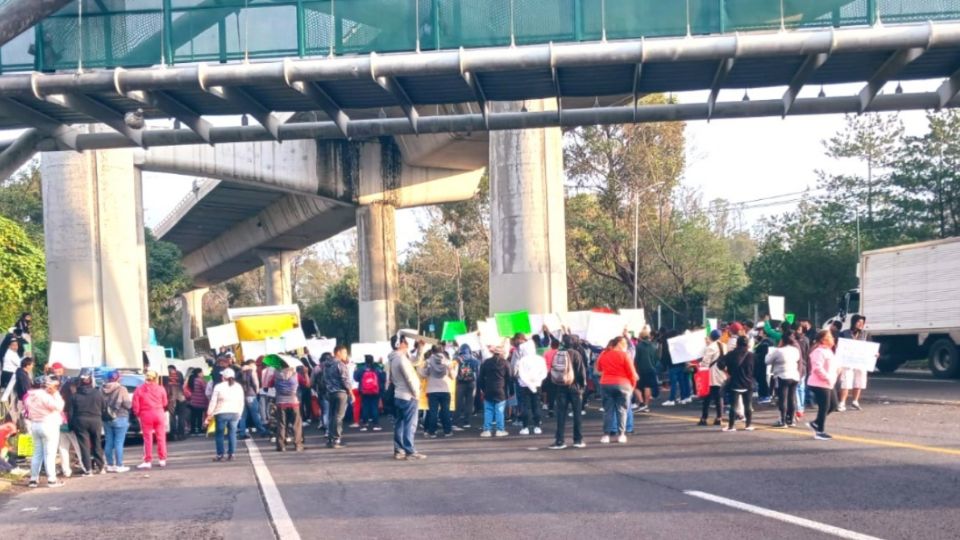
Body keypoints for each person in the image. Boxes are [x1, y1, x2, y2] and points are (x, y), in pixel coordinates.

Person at [595, 336, 638, 444]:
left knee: (608, 410)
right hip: (623, 384)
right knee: (622, 410)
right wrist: (632, 386)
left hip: (606, 383)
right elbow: (632, 373)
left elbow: (599, 368)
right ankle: (621, 435)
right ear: (620, 344)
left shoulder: (604, 354)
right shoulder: (624, 355)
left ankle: (606, 435)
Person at [549, 334, 588, 450]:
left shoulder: (558, 353)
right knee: (577, 414)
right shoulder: (576, 354)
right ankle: (578, 440)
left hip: (561, 387)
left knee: (561, 414)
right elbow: (582, 373)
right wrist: (582, 387)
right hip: (575, 388)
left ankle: (559, 440)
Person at [389, 335, 425, 460]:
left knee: (400, 423)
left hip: (399, 395)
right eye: (405, 341)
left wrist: (420, 348)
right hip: (408, 395)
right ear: (400, 344)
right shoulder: (402, 359)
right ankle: (410, 450)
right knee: (410, 424)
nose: (408, 343)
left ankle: (399, 449)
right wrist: (416, 393)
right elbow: (409, 378)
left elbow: (416, 361)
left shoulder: (394, 358)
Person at [26, 376, 65, 488]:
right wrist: (56, 393)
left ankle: (33, 479)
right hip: (48, 424)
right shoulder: (45, 396)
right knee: (49, 454)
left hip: (35, 425)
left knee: (37, 453)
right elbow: (59, 407)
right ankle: (52, 480)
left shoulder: (30, 397)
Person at [68, 369, 104, 475]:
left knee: (84, 446)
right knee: (97, 443)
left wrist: (70, 426)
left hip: (80, 421)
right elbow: (103, 406)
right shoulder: (97, 393)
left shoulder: (74, 396)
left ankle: (88, 469)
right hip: (96, 420)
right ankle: (101, 467)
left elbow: (70, 412)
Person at [807, 330, 840, 441]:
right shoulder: (819, 351)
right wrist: (828, 378)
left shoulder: (829, 351)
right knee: (824, 407)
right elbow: (817, 368)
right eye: (829, 337)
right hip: (819, 383)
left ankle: (816, 423)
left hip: (829, 383)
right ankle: (819, 431)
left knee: (833, 405)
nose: (832, 338)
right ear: (823, 340)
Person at [132, 371, 169, 469]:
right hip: (159, 413)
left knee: (147, 438)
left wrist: (137, 414)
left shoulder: (139, 389)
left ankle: (147, 460)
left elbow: (135, 405)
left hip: (146, 414)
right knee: (161, 437)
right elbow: (165, 403)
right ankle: (162, 459)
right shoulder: (161, 388)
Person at [207, 368, 245, 461]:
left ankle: (220, 454)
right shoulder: (238, 386)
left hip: (221, 413)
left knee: (219, 434)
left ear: (223, 377)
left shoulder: (218, 386)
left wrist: (209, 413)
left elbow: (213, 401)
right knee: (232, 433)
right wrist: (240, 413)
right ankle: (231, 454)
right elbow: (241, 401)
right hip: (235, 412)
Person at [718, 336, 755, 432]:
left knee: (733, 405)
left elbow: (720, 364)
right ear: (747, 344)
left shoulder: (731, 354)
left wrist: (726, 372)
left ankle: (731, 426)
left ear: (737, 343)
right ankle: (748, 425)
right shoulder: (751, 355)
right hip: (748, 383)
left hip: (735, 382)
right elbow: (757, 369)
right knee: (748, 405)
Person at [766, 335, 802, 428]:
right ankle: (791, 419)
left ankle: (782, 420)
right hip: (794, 375)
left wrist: (771, 352)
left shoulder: (778, 351)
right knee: (791, 398)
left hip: (782, 376)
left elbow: (767, 361)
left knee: (783, 398)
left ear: (782, 341)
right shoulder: (795, 350)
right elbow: (797, 359)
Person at [419, 347, 455, 438]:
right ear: (442, 351)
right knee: (445, 411)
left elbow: (423, 374)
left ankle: (432, 432)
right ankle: (447, 431)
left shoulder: (428, 361)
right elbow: (453, 376)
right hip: (445, 389)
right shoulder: (447, 361)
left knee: (433, 411)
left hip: (432, 390)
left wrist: (422, 368)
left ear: (432, 351)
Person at [101, 370, 132, 473]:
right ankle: (119, 465)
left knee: (108, 441)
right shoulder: (122, 389)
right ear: (118, 378)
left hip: (106, 418)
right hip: (120, 417)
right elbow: (128, 404)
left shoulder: (102, 389)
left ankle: (109, 465)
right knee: (118, 442)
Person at [479, 344, 511, 438]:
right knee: (499, 411)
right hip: (501, 390)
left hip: (488, 389)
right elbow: (509, 378)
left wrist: (483, 389)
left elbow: (480, 378)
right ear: (502, 354)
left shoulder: (486, 362)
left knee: (488, 410)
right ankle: (500, 430)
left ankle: (487, 430)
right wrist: (511, 391)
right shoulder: (505, 363)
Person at [323, 345, 353, 448]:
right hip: (340, 392)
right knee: (339, 416)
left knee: (332, 416)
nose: (346, 355)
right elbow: (345, 379)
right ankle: (337, 439)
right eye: (344, 353)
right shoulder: (340, 364)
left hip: (330, 393)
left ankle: (330, 438)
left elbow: (324, 380)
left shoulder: (326, 365)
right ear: (338, 352)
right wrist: (351, 392)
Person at [838, 314, 869, 411]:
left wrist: (875, 353)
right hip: (847, 361)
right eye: (858, 322)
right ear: (853, 322)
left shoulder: (865, 334)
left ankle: (855, 401)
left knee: (859, 381)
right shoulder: (844, 333)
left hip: (860, 362)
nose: (860, 324)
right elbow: (839, 346)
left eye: (862, 323)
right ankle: (842, 403)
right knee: (846, 382)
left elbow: (870, 347)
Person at [514, 345, 547, 435]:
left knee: (526, 407)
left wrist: (529, 383)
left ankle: (525, 427)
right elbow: (544, 373)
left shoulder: (523, 360)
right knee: (536, 406)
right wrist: (537, 381)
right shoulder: (540, 359)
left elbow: (521, 374)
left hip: (525, 386)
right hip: (537, 385)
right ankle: (537, 426)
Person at [272, 363, 304, 452]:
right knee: (296, 424)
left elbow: (270, 384)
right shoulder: (296, 375)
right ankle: (298, 445)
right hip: (294, 402)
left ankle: (281, 445)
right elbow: (306, 384)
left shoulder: (276, 375)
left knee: (281, 424)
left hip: (280, 402)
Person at [698, 330, 727, 426]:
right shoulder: (724, 345)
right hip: (721, 374)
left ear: (711, 337)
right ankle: (719, 417)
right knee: (719, 397)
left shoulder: (710, 347)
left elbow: (705, 362)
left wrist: (699, 365)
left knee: (707, 397)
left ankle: (704, 418)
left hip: (711, 375)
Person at [354, 355, 385, 432]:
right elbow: (383, 378)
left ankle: (364, 424)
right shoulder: (377, 369)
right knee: (374, 407)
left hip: (364, 391)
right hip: (375, 391)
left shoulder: (361, 369)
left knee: (365, 407)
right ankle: (376, 424)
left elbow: (356, 378)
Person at [453, 344, 479, 430]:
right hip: (472, 383)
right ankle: (466, 422)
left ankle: (455, 421)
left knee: (458, 403)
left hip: (460, 383)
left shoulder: (457, 359)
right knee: (469, 403)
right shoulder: (475, 360)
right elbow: (477, 373)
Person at [661, 330, 691, 406]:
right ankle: (683, 398)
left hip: (673, 365)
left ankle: (672, 399)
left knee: (673, 383)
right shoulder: (681, 343)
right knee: (682, 382)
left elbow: (666, 356)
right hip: (681, 365)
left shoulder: (670, 344)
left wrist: (665, 364)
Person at [240, 360, 267, 438]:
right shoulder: (252, 371)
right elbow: (255, 384)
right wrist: (257, 391)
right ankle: (262, 430)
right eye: (254, 364)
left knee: (243, 415)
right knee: (255, 414)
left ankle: (242, 432)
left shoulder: (240, 371)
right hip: (251, 395)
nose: (255, 366)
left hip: (242, 395)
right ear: (251, 365)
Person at [633, 329, 658, 412]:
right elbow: (656, 358)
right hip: (651, 369)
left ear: (640, 337)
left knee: (636, 387)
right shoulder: (653, 345)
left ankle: (641, 403)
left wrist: (635, 368)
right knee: (648, 387)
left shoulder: (639, 346)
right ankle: (646, 405)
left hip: (641, 370)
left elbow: (637, 359)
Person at [164, 365, 188, 441]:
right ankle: (181, 434)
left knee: (172, 417)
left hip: (171, 398)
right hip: (181, 397)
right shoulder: (179, 373)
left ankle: (173, 434)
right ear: (175, 368)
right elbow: (182, 383)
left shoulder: (165, 375)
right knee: (181, 416)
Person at [186, 368, 208, 435]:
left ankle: (192, 430)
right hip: (200, 401)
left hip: (193, 401)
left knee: (193, 416)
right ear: (198, 373)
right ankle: (199, 429)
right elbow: (206, 389)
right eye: (202, 373)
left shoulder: (191, 380)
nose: (203, 374)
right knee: (199, 416)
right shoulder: (200, 381)